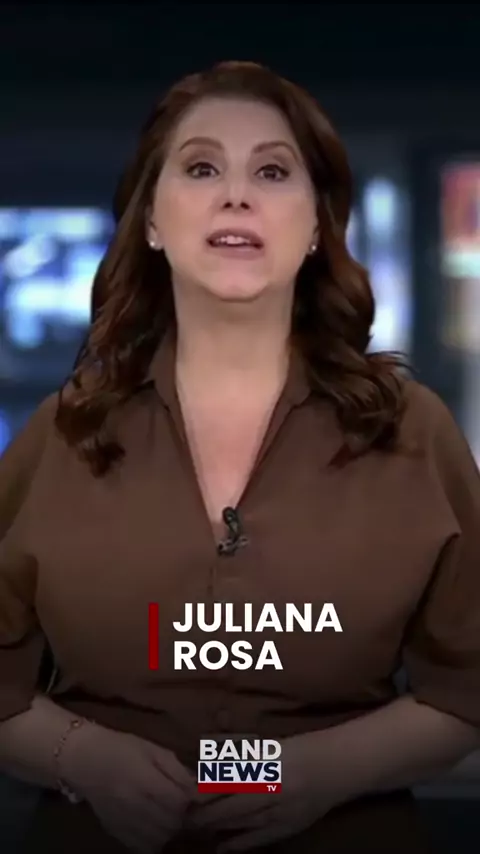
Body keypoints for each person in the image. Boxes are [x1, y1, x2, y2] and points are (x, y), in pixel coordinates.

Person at [0, 59, 480, 854]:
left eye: (272, 171)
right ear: (152, 221)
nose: (236, 194)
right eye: (201, 168)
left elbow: (466, 692)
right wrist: (84, 757)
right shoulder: (63, 435)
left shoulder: (412, 434)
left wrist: (317, 771)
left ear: (317, 224)